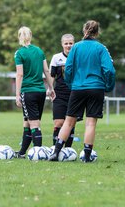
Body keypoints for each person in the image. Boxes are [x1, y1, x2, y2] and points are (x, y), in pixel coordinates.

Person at [49, 20, 115, 162]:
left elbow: (68, 69)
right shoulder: (101, 48)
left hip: (78, 88)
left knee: (68, 122)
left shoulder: (76, 48)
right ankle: (86, 157)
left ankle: (55, 153)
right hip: (96, 88)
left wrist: (71, 83)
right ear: (97, 33)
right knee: (90, 123)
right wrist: (108, 86)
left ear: (84, 31)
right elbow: (109, 70)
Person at [14, 26, 56, 158]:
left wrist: (17, 94)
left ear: (19, 36)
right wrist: (51, 88)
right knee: (27, 122)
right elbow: (46, 71)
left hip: (28, 91)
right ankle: (21, 153)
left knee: (34, 124)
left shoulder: (19, 53)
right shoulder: (39, 51)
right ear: (30, 35)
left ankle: (38, 153)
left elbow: (19, 74)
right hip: (40, 92)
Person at [49, 34, 78, 147]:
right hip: (59, 94)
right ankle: (55, 148)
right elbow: (52, 75)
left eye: (70, 43)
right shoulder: (56, 58)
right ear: (62, 44)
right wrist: (50, 89)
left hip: (75, 94)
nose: (68, 45)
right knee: (58, 122)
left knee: (71, 123)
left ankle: (68, 150)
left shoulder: (78, 57)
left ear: (74, 44)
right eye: (66, 43)